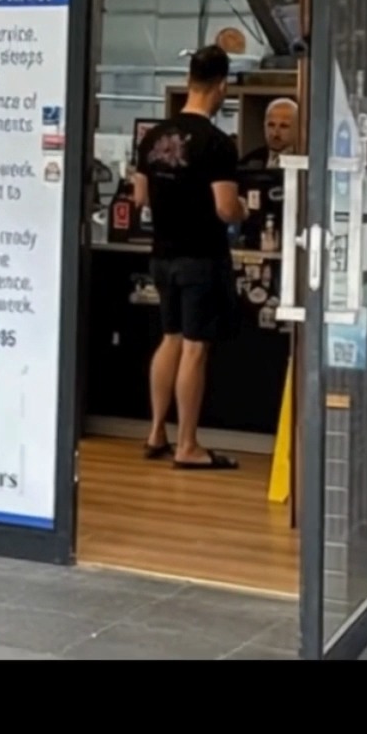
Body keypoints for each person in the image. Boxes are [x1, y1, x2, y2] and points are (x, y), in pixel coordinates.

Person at [132, 46, 245, 470]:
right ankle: (188, 445)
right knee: (195, 349)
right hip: (202, 256)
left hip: (162, 254)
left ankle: (156, 432)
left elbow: (140, 197)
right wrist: (244, 212)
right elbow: (225, 208)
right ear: (221, 86)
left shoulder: (153, 137)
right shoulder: (216, 144)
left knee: (171, 338)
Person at [240, 97, 299, 170]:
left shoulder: (306, 160)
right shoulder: (250, 161)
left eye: (284, 126)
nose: (275, 133)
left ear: (298, 128)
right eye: (271, 125)